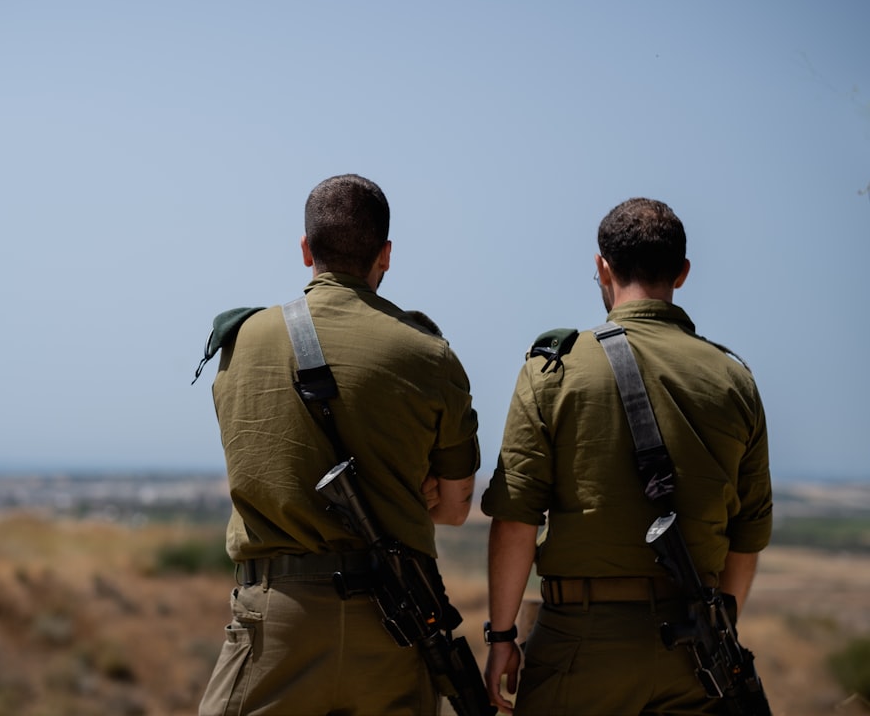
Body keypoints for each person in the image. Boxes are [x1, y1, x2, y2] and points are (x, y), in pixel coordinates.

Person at [196, 174, 481, 716]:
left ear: (306, 249)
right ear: (386, 255)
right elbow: (454, 507)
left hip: (278, 619)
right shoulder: (428, 354)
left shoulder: (241, 343)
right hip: (396, 626)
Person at [480, 197, 772, 715]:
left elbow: (515, 519)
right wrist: (713, 633)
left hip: (579, 644)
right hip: (694, 650)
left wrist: (501, 636)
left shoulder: (554, 370)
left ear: (602, 267)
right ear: (681, 273)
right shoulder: (734, 381)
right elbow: (746, 537)